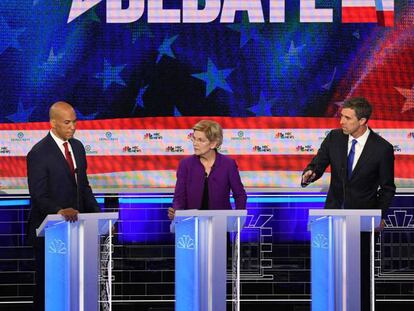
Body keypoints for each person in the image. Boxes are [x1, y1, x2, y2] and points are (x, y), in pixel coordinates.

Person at [301, 97, 396, 310]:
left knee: (360, 271)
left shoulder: (382, 149)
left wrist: (379, 216)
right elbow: (318, 164)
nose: (341, 121)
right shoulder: (334, 138)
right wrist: (310, 173)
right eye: (341, 116)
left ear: (362, 121)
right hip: (332, 217)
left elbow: (388, 188)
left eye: (347, 118)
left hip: (362, 220)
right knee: (330, 268)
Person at [27, 101, 101, 310]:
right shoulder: (39, 153)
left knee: (76, 283)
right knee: (48, 285)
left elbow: (83, 186)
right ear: (53, 123)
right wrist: (59, 211)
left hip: (78, 229)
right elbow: (38, 195)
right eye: (67, 123)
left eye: (75, 122)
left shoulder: (77, 147)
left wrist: (97, 214)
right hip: (50, 232)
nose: (73, 127)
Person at [168, 120, 246, 220]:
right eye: (194, 139)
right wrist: (177, 213)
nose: (195, 144)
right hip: (191, 224)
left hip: (220, 224)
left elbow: (239, 194)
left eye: (201, 140)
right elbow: (179, 197)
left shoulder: (228, 164)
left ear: (213, 144)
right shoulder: (185, 164)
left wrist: (238, 219)